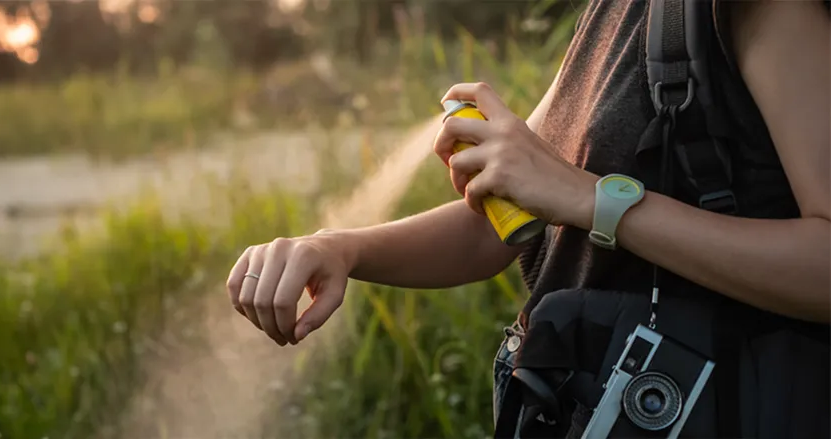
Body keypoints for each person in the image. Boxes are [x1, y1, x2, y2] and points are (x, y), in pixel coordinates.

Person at [226, 0, 830, 436]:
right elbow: (500, 223)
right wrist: (341, 249)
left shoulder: (765, 11)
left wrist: (595, 201)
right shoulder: (615, 12)